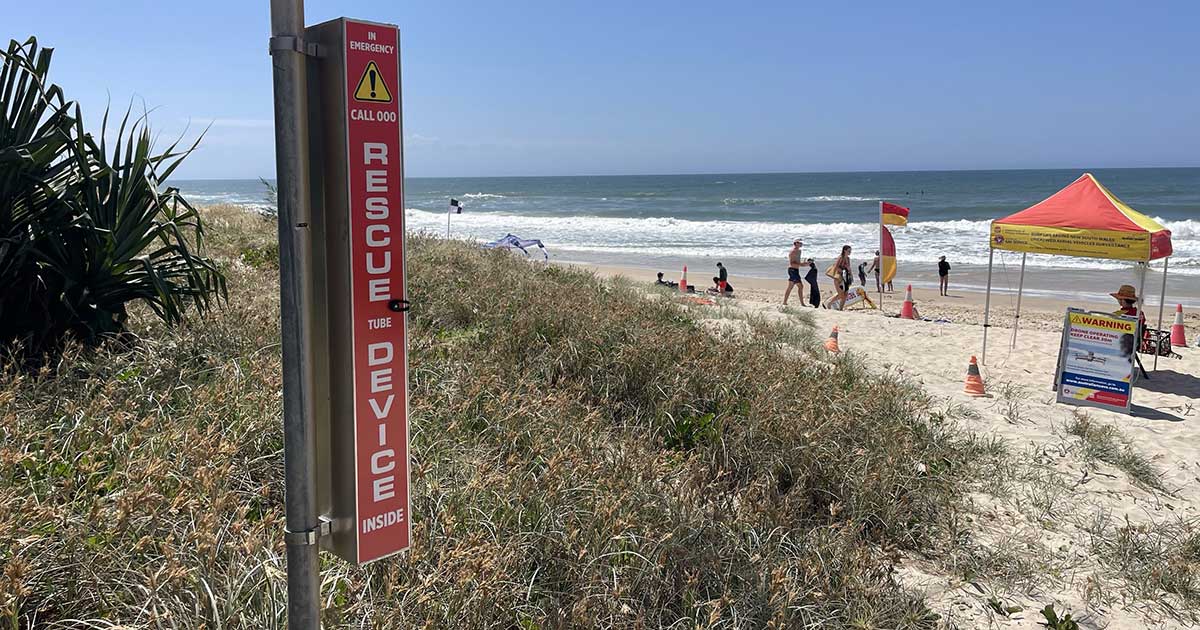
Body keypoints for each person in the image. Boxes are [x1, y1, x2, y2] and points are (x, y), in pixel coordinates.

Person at [783, 240, 803, 305]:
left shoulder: (799, 251)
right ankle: (802, 303)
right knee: (800, 286)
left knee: (790, 287)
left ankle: (784, 302)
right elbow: (792, 263)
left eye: (801, 242)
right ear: (796, 244)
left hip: (796, 270)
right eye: (799, 242)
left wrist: (805, 263)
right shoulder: (793, 252)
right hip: (792, 270)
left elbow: (798, 262)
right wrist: (802, 265)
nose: (801, 243)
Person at [833, 245, 852, 310]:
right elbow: (836, 267)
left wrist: (851, 275)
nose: (850, 252)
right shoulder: (841, 257)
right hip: (839, 278)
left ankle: (841, 309)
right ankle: (830, 303)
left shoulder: (848, 258)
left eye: (850, 251)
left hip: (846, 277)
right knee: (841, 295)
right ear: (844, 250)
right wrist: (842, 270)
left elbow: (849, 268)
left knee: (845, 294)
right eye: (849, 251)